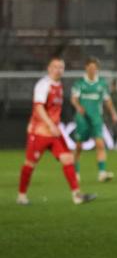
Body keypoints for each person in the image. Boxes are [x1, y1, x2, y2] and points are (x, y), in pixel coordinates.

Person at [16, 57, 96, 205]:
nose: (58, 69)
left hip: (54, 133)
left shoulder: (59, 86)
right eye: (55, 67)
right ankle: (21, 196)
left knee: (68, 158)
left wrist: (54, 127)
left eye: (61, 67)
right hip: (39, 132)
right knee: (30, 164)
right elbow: (38, 107)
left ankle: (76, 195)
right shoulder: (43, 85)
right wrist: (50, 125)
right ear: (49, 68)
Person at [71, 57, 117, 182]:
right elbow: (74, 99)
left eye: (95, 68)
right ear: (86, 68)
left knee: (100, 144)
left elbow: (107, 100)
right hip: (82, 119)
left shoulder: (102, 84)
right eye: (90, 67)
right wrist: (78, 107)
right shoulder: (80, 83)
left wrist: (114, 113)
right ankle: (75, 172)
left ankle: (102, 173)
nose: (92, 70)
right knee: (78, 147)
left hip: (96, 118)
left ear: (97, 69)